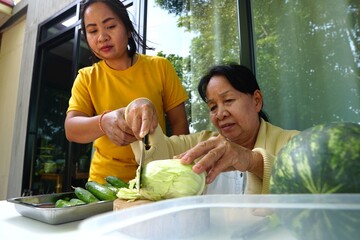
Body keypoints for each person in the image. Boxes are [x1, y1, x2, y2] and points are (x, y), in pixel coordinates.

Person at [65, 0, 189, 184]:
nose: (102, 37)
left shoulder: (160, 67)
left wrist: (177, 170)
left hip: (156, 178)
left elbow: (180, 124)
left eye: (110, 26)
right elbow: (71, 128)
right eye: (93, 31)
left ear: (128, 29)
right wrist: (103, 121)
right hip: (105, 182)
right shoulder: (86, 77)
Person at [124, 64, 300, 194]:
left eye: (229, 100)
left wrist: (253, 161)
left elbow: (312, 185)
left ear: (256, 100)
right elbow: (158, 153)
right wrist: (140, 110)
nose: (221, 114)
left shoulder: (295, 144)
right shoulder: (202, 144)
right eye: (213, 107)